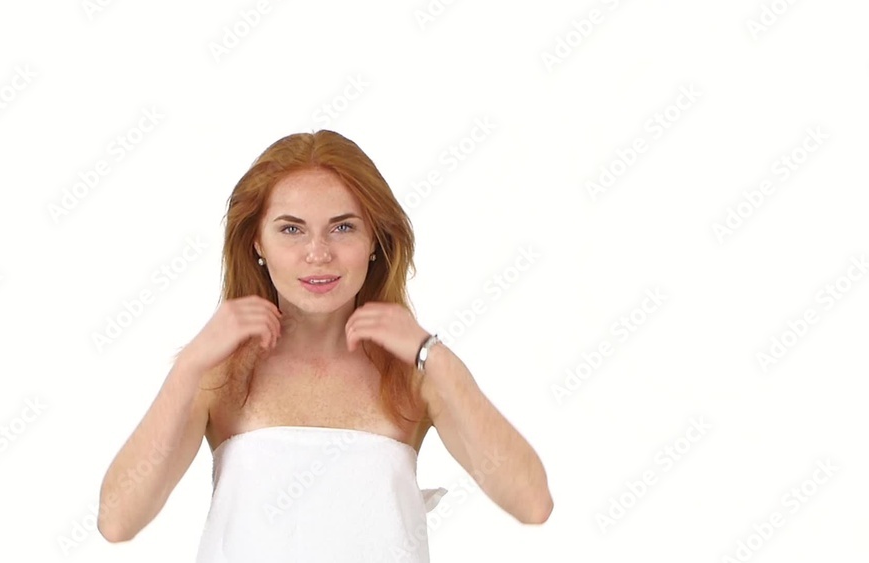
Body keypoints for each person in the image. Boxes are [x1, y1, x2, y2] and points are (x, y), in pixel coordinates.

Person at [97, 130, 553, 562]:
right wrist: (190, 364)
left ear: (375, 240)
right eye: (291, 230)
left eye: (343, 228)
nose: (318, 253)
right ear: (257, 242)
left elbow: (532, 503)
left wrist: (433, 355)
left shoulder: (415, 376)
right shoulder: (217, 374)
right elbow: (117, 521)